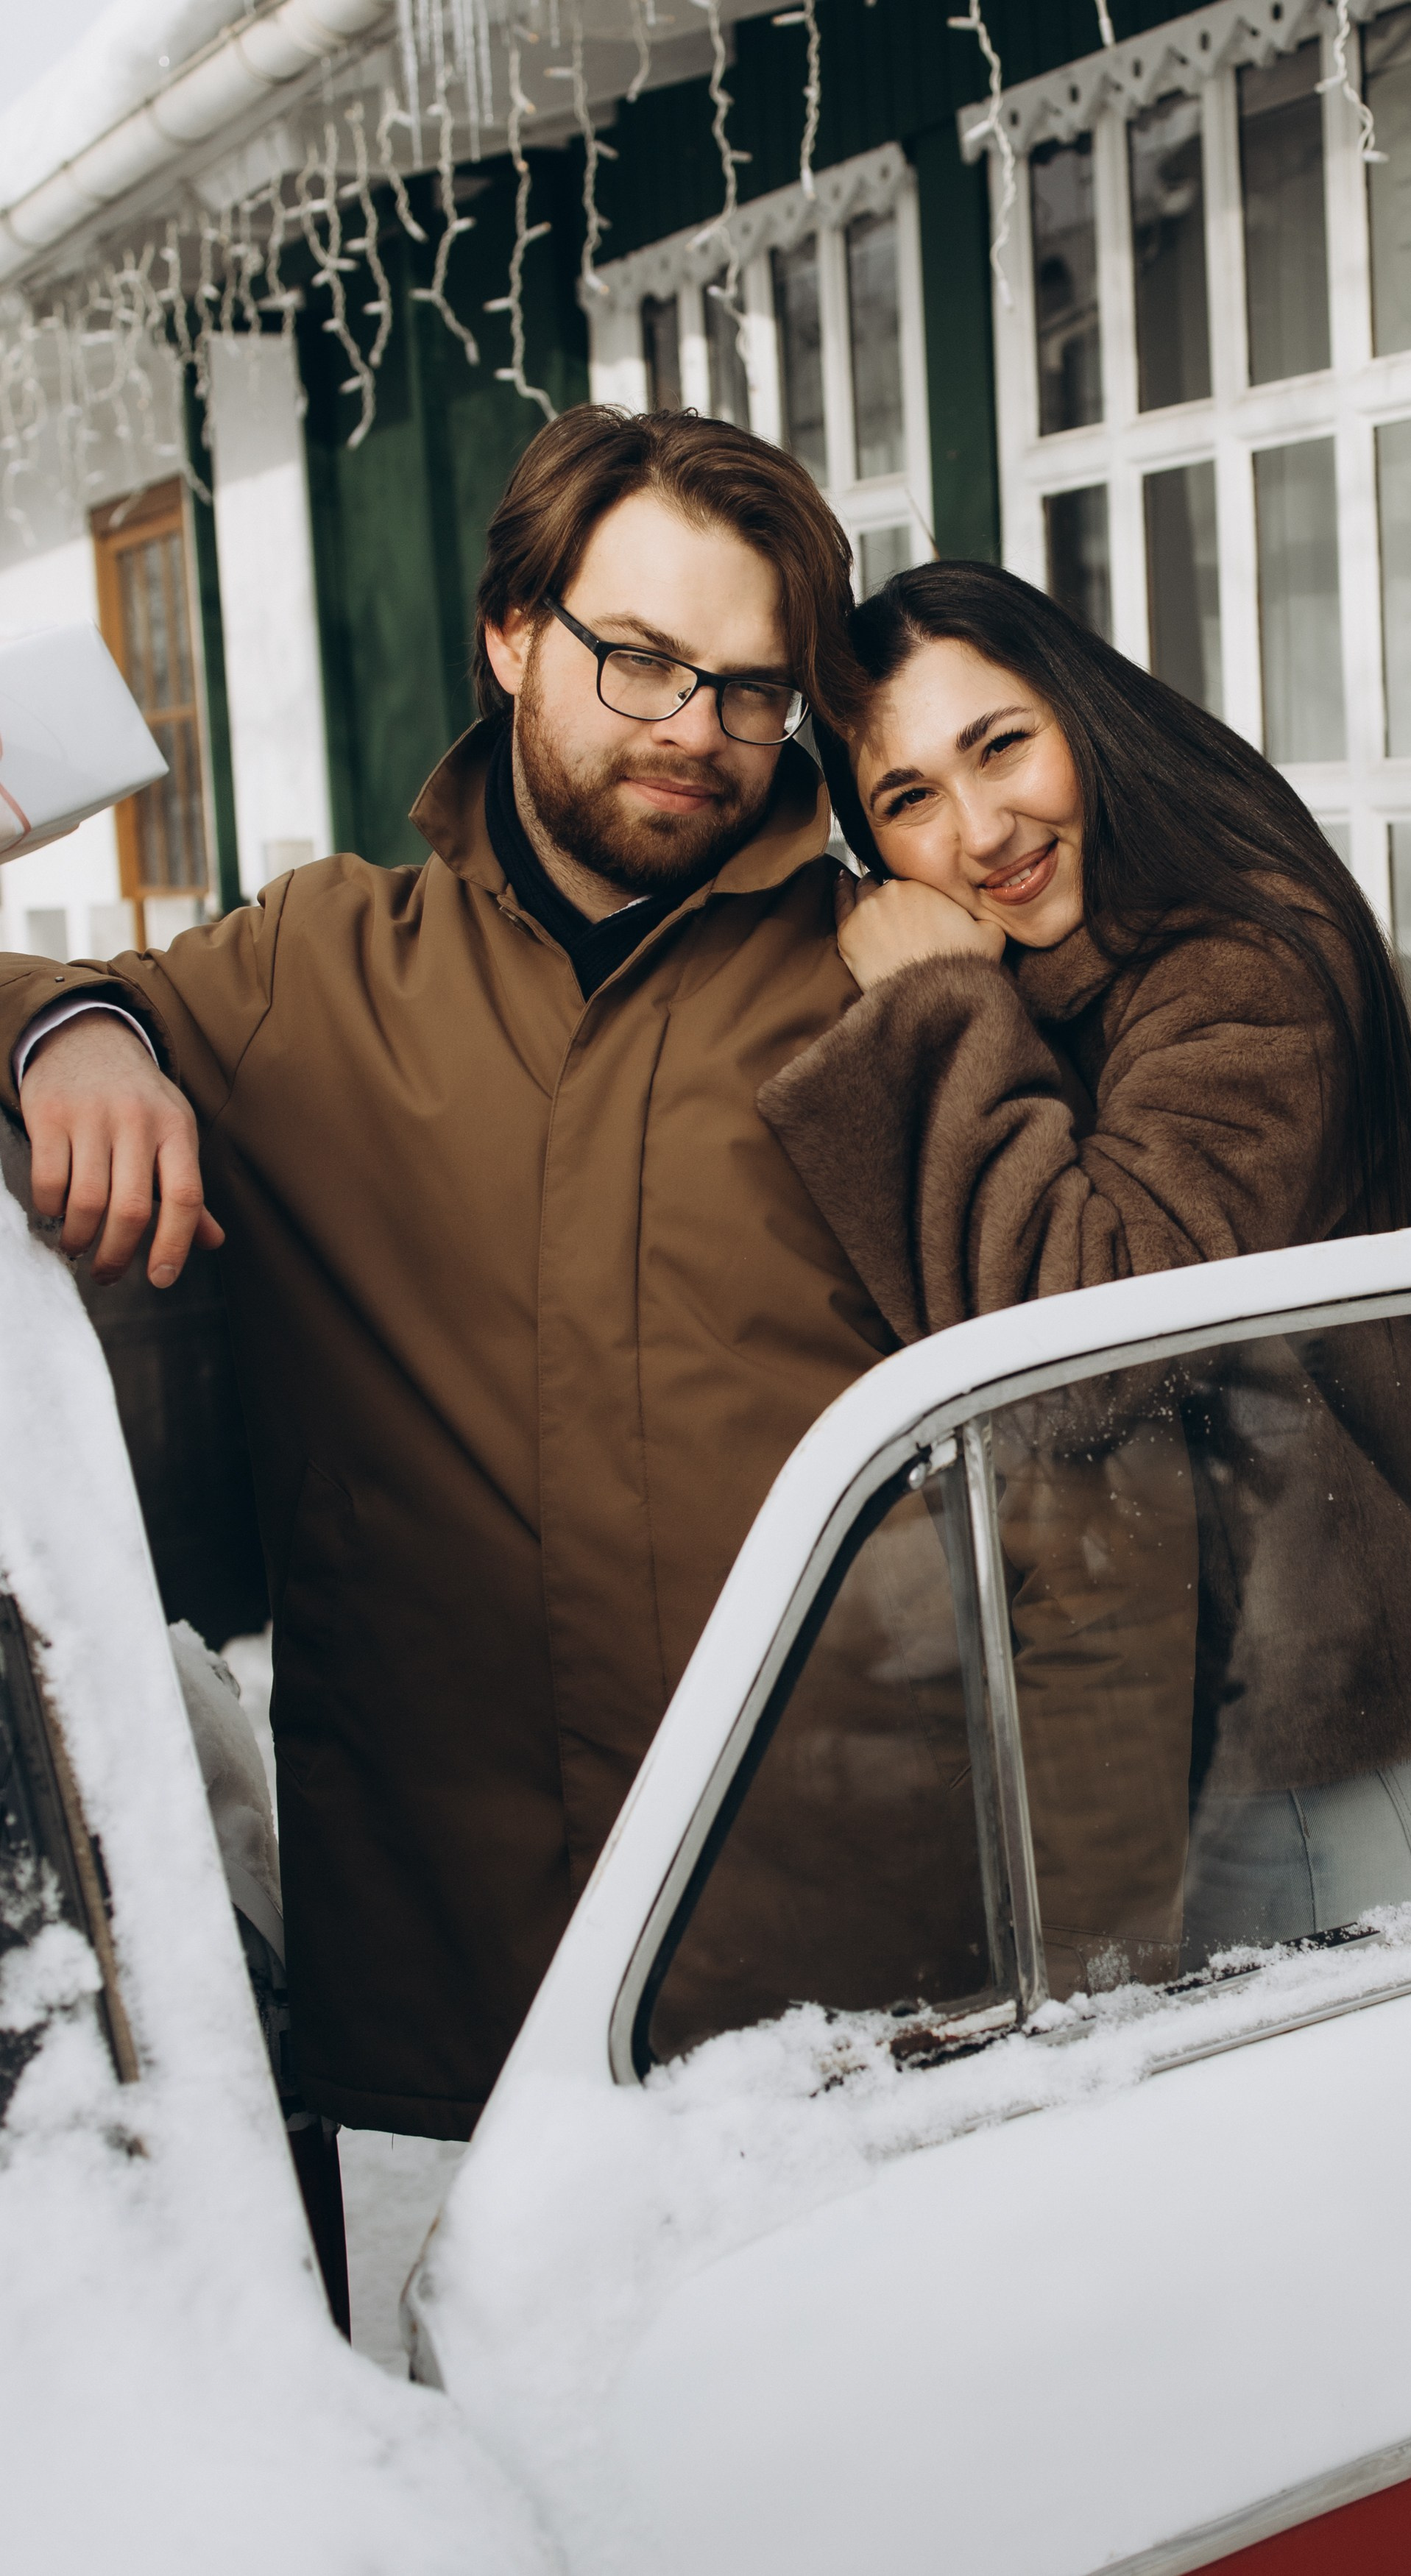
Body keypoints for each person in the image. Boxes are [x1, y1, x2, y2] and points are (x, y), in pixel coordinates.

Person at [1, 407, 895, 2140]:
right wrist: (75, 1025)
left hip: (835, 2018)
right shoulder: (312, 976)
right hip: (437, 2020)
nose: (696, 732)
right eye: (637, 660)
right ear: (511, 634)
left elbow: (1077, 1488)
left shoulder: (885, 988)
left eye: (751, 688)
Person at [760, 562, 1411, 1963]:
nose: (982, 831)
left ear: (1084, 717)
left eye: (1001, 746)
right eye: (907, 799)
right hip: (1197, 1743)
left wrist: (935, 1004)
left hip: (1325, 1760)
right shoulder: (1073, 985)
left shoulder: (1238, 964)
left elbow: (1089, 1342)